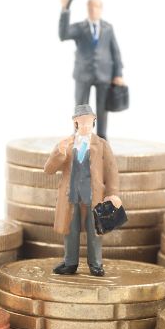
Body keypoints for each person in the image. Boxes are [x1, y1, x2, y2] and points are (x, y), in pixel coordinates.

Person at [43, 104, 121, 276]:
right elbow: (48, 170)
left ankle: (96, 264)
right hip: (71, 196)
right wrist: (59, 152)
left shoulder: (101, 145)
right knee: (70, 230)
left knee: (95, 230)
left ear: (94, 121)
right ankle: (70, 262)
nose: (85, 126)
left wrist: (113, 193)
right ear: (75, 123)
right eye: (81, 122)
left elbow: (111, 170)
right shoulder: (66, 145)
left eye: (88, 122)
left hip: (94, 196)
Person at [59, 0, 125, 139]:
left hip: (104, 74)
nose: (93, 10)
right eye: (90, 7)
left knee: (102, 108)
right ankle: (79, 136)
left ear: (101, 9)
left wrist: (118, 74)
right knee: (81, 106)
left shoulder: (108, 28)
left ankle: (102, 138)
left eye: (96, 7)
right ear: (87, 9)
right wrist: (65, 8)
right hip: (83, 74)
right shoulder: (80, 28)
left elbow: (115, 51)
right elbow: (63, 34)